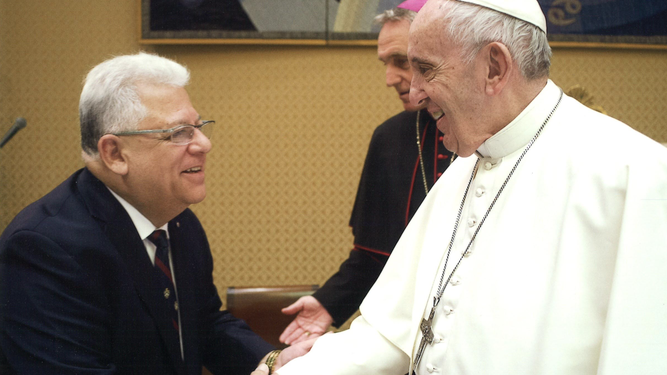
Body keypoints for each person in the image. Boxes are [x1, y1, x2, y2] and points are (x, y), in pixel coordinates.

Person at [263, 0, 667, 374]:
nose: (414, 92)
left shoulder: (636, 176)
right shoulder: (463, 169)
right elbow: (393, 333)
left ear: (494, 66)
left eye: (426, 69)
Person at [0, 52, 311, 375]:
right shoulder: (43, 248)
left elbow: (203, 323)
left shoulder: (177, 219)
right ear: (115, 153)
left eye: (198, 126)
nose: (204, 143)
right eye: (179, 132)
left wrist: (269, 361)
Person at [279, 1, 454, 346]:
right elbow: (374, 254)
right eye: (386, 63)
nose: (390, 78)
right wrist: (329, 302)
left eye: (401, 61)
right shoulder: (389, 138)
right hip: (412, 337)